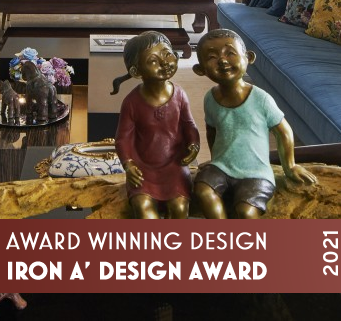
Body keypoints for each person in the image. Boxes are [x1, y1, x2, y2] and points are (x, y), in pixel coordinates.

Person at [192, 28, 317, 219]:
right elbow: (212, 131)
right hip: (221, 167)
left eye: (230, 53)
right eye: (212, 57)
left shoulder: (261, 99)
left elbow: (283, 131)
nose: (222, 60)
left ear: (248, 57)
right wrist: (215, 159)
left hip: (256, 172)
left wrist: (290, 166)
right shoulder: (210, 98)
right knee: (203, 190)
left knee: (246, 212)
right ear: (200, 69)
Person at [112, 31, 200, 219]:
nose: (164, 63)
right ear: (136, 72)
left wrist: (193, 145)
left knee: (179, 208)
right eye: (153, 61)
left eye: (168, 54)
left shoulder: (180, 95)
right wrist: (128, 164)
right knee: (144, 208)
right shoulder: (132, 102)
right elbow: (122, 139)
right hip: (143, 170)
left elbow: (189, 124)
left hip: (175, 166)